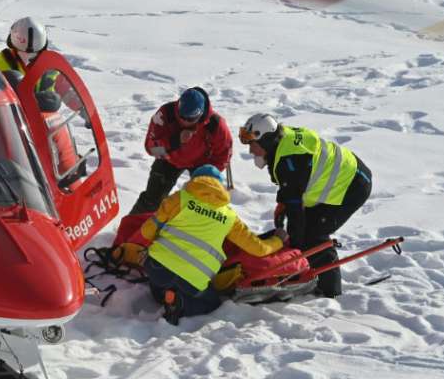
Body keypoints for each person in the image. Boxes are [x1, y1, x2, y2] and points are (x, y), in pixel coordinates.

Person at [238, 113, 373, 297]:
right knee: (304, 231)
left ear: (266, 141)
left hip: (353, 186)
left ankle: (330, 292)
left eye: (252, 144)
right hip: (346, 173)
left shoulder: (289, 161)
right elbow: (294, 185)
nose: (250, 151)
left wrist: (295, 248)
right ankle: (310, 271)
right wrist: (284, 202)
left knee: (313, 235)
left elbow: (296, 210)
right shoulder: (282, 142)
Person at [133, 165, 285, 324]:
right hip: (193, 279)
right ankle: (181, 304)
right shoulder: (229, 217)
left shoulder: (180, 198)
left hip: (157, 266)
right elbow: (257, 249)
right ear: (221, 187)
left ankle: (164, 295)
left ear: (194, 180)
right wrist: (278, 240)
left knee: (160, 284)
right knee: (212, 303)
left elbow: (146, 231)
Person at [128, 87, 232, 216]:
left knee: (201, 206)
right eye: (181, 117)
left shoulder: (215, 125)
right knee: (151, 201)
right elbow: (150, 148)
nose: (185, 122)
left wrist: (208, 173)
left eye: (191, 119)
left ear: (200, 114)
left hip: (201, 163)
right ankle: (131, 226)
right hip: (169, 158)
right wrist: (174, 141)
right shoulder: (165, 114)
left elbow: (223, 155)